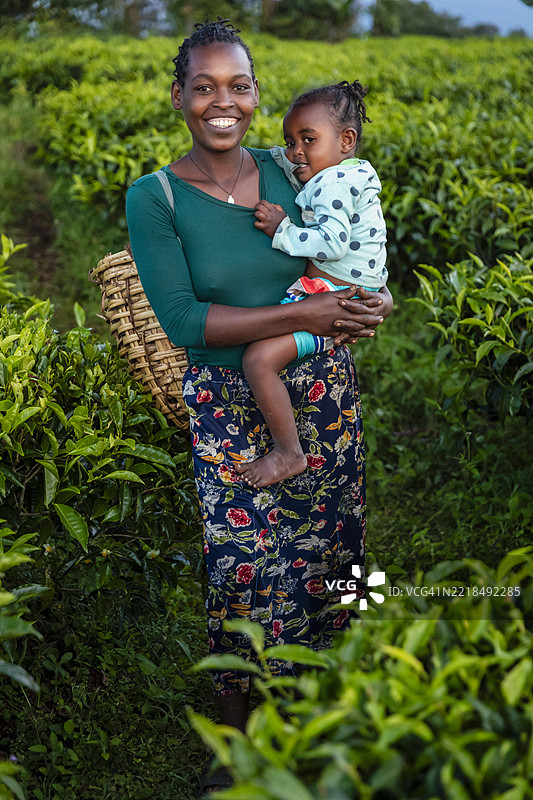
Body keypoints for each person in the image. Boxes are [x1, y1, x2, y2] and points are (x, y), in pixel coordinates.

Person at [125, 18, 393, 795]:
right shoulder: (158, 196)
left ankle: (330, 705)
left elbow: (350, 248)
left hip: (322, 391)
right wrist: (299, 318)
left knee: (337, 548)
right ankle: (233, 743)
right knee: (239, 566)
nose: (222, 102)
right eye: (203, 86)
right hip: (226, 400)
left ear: (254, 95)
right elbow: (181, 322)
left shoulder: (292, 166)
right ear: (178, 96)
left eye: (237, 86)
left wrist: (372, 304)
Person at [236, 79, 388, 490]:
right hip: (351, 294)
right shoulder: (353, 173)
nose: (296, 152)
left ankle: (289, 452)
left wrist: (282, 229)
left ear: (346, 140)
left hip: (331, 302)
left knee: (257, 360)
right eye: (290, 142)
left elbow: (333, 242)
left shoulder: (331, 183)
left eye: (308, 139)